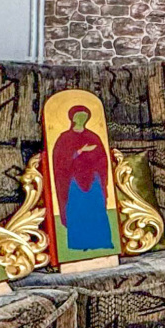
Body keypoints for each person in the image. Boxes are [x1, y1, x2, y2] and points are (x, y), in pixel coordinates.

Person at [51, 105, 114, 252]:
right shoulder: (64, 138)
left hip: (93, 180)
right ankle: (80, 243)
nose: (81, 119)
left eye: (84, 117)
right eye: (79, 116)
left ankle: (101, 241)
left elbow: (102, 159)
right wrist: (79, 151)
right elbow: (60, 162)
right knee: (77, 210)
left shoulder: (93, 137)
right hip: (74, 182)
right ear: (72, 118)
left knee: (95, 209)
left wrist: (97, 169)